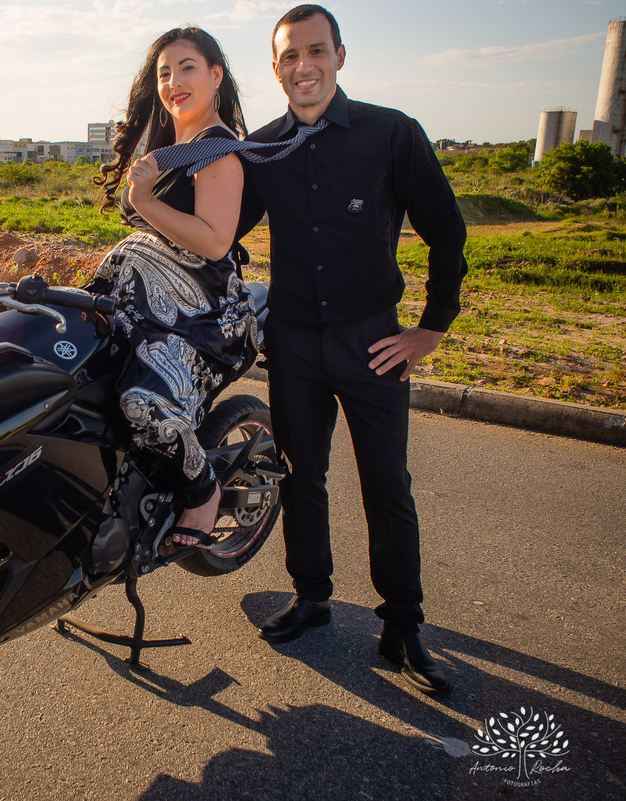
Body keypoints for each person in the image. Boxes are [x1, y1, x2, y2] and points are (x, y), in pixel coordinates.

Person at [237, 4, 467, 694]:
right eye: (288, 56)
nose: (303, 66)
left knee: (386, 485)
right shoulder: (264, 145)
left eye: (315, 52)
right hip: (294, 343)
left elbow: (448, 232)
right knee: (300, 477)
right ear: (275, 68)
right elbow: (222, 228)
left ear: (339, 55)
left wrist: (431, 329)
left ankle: (403, 624)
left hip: (374, 341)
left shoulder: (391, 133)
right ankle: (312, 597)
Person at [90, 27, 259, 548]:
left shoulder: (217, 150)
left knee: (143, 404)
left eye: (187, 68)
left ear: (215, 75)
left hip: (197, 316)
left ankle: (200, 491)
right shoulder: (174, 147)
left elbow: (213, 242)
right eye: (164, 72)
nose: (173, 82)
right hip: (140, 308)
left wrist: (145, 204)